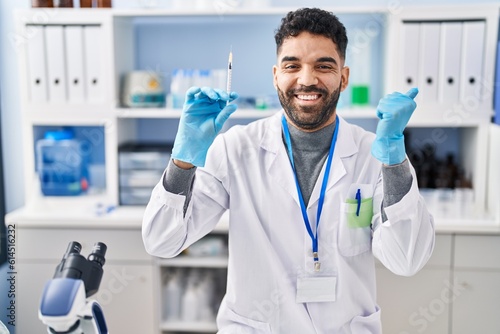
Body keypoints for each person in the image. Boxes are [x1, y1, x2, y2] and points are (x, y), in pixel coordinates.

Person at [142, 7, 435, 333]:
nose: (307, 79)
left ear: (345, 76)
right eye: (292, 65)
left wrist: (394, 161)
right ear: (275, 75)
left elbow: (406, 260)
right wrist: (183, 160)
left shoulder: (374, 155)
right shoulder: (236, 149)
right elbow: (162, 241)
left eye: (324, 66)